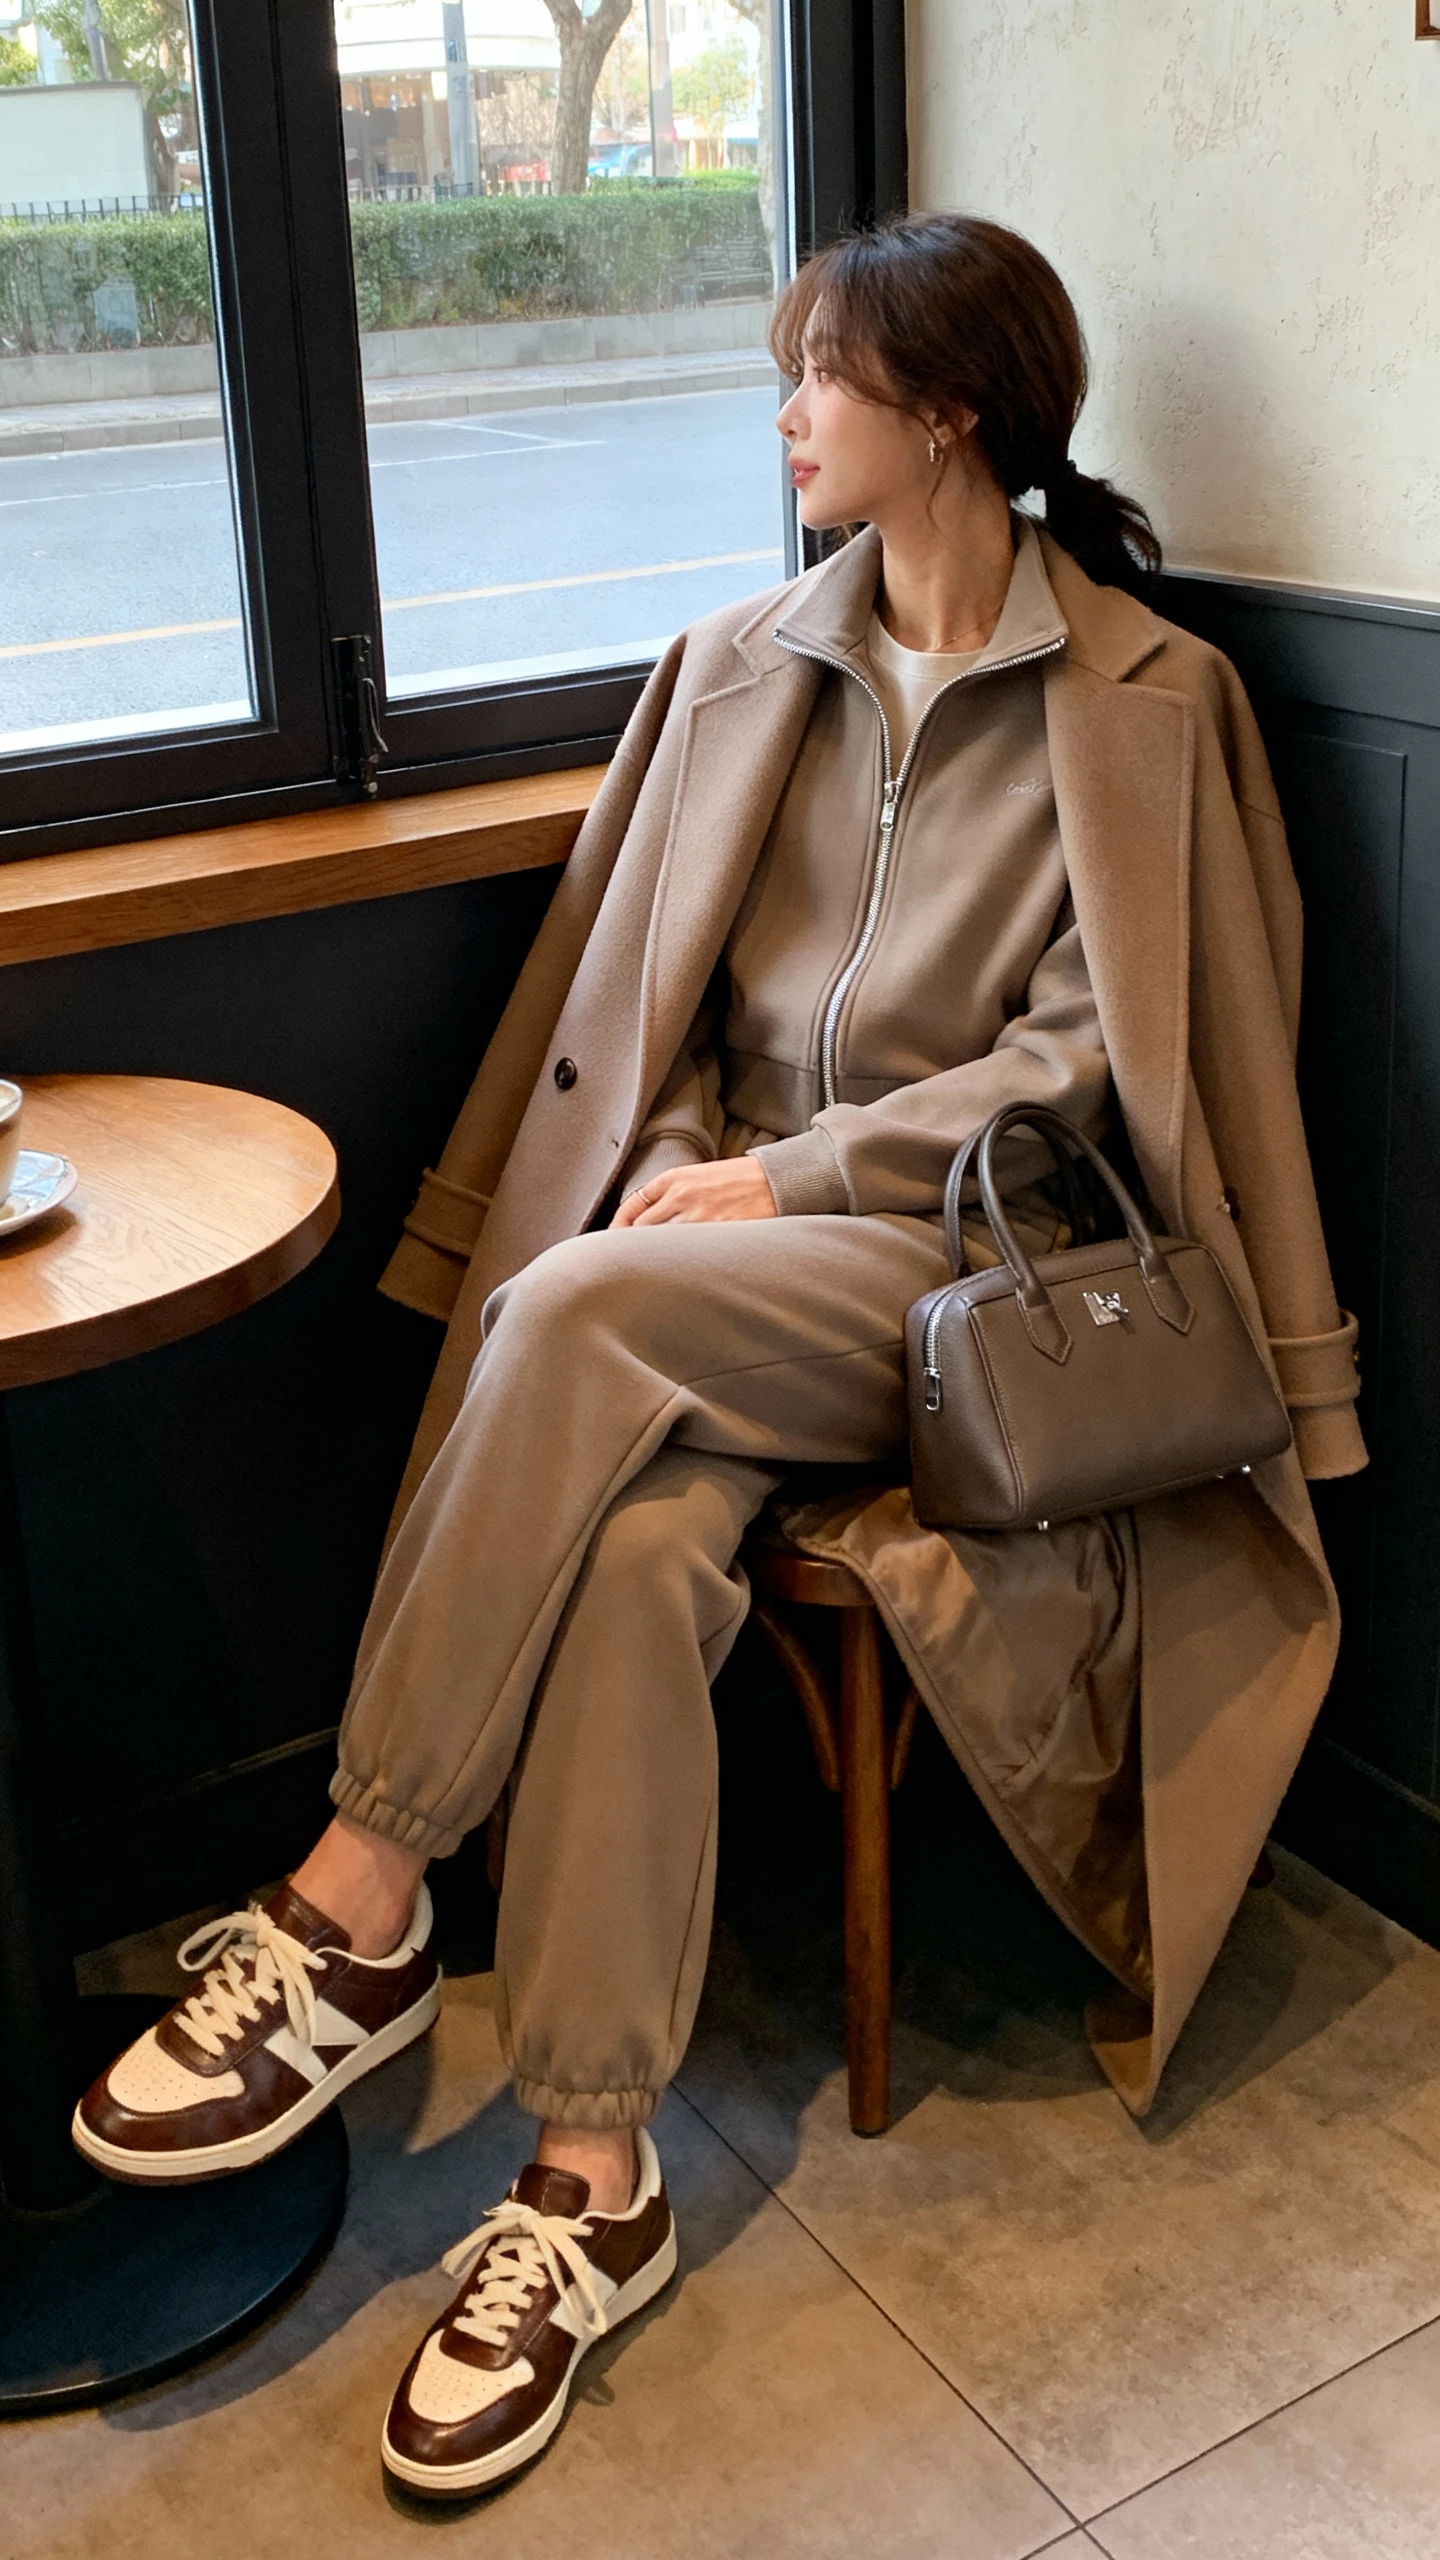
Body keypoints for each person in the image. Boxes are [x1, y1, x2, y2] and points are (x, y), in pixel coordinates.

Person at [73, 215, 1364, 2499]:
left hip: (957, 1279)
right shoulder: (743, 661)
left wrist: (792, 1174)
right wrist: (698, 1156)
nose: (783, 409)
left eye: (817, 373)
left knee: (576, 1309)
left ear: (947, 409)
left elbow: (1102, 1066)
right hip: (705, 1273)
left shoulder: (1152, 699)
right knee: (651, 1537)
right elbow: (643, 1022)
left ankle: (360, 1895)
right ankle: (591, 2184)